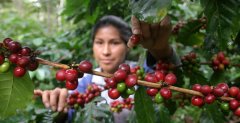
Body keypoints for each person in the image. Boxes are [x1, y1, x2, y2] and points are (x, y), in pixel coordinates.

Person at [34, 15, 180, 122]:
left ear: (127, 46)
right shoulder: (85, 82)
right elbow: (72, 113)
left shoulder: (140, 75)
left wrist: (160, 49)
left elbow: (169, 74)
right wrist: (59, 108)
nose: (105, 51)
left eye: (115, 43)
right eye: (99, 42)